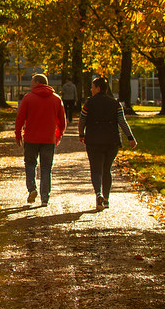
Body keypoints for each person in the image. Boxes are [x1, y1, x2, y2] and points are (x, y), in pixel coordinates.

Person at [79, 76, 137, 211]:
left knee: (96, 169)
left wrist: (81, 134)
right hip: (112, 141)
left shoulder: (89, 103)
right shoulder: (115, 103)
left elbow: (82, 120)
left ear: (98, 88)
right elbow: (122, 121)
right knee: (107, 170)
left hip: (93, 140)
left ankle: (98, 194)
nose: (91, 90)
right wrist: (130, 137)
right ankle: (106, 199)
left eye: (92, 87)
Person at [15, 73, 66, 206]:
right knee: (46, 168)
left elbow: (20, 117)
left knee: (30, 164)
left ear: (38, 82)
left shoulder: (28, 98)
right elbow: (62, 120)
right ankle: (45, 198)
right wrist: (58, 135)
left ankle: (32, 188)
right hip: (49, 139)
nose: (30, 82)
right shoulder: (56, 99)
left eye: (32, 80)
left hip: (31, 138)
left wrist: (18, 134)